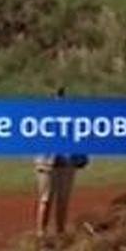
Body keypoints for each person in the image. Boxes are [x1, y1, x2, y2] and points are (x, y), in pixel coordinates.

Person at [33, 88, 88, 236]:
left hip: (66, 165)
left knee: (63, 201)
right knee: (46, 199)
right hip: (47, 165)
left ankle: (60, 233)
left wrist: (80, 158)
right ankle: (41, 233)